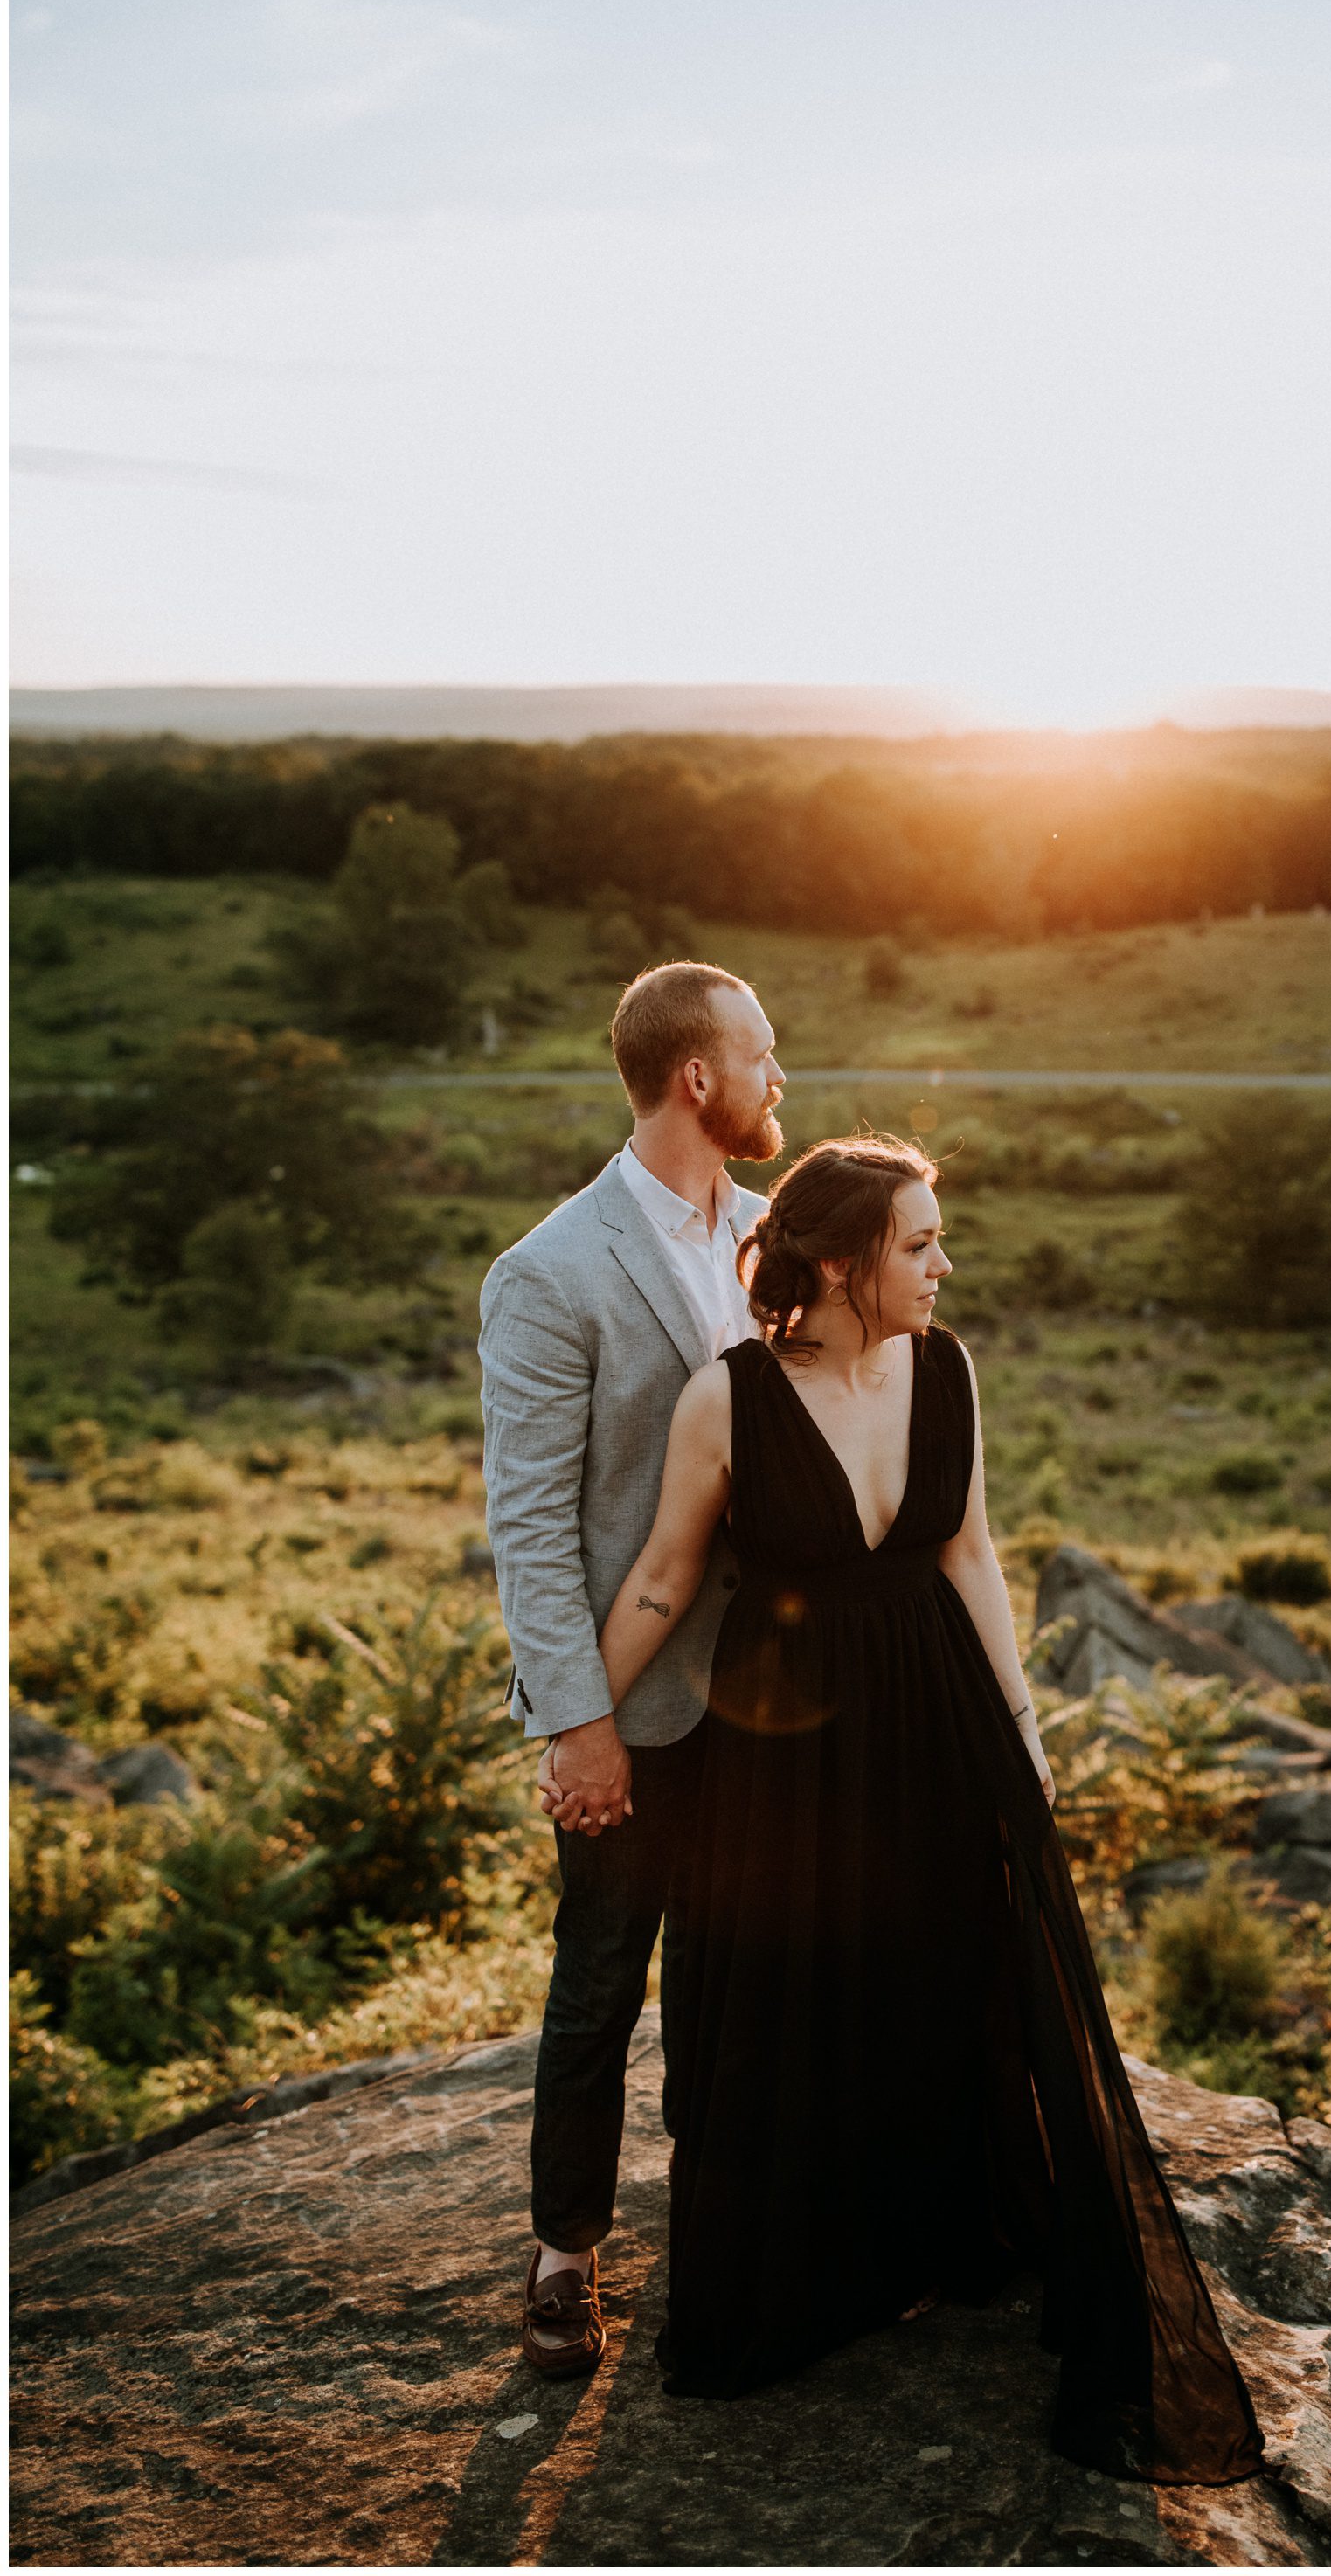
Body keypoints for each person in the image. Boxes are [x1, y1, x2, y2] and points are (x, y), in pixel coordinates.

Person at [542, 1134, 1265, 2487]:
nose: (945, 1264)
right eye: (920, 1242)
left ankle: (930, 2238)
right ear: (838, 1262)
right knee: (794, 1996)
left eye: (939, 1239)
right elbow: (660, 1576)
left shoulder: (948, 1367)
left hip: (936, 1719)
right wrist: (576, 1719)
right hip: (788, 1753)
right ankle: (814, 2278)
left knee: (944, 1974)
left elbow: (970, 1549)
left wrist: (1023, 1726)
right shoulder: (730, 1398)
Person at [478, 959, 785, 2381]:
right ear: (698, 1078)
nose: (784, 1077)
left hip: (783, 1694)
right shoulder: (550, 1272)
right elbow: (531, 1523)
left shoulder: (781, 1238)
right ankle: (564, 2258)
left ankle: (743, 2230)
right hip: (637, 1701)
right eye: (765, 1056)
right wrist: (577, 1721)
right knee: (602, 1976)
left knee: (759, 1976)